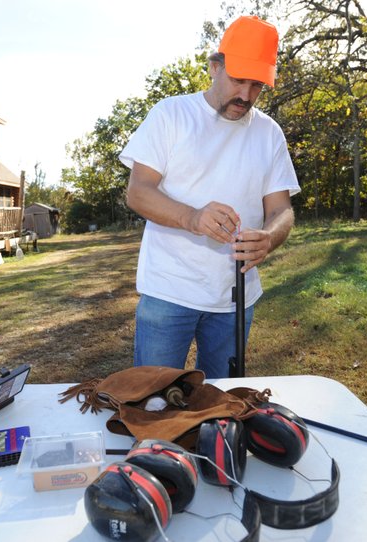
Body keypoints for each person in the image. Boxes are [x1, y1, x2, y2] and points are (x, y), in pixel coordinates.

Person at [120, 15, 300, 378]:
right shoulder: (171, 115)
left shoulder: (269, 133)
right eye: (238, 80)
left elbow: (282, 210)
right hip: (168, 292)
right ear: (215, 67)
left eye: (257, 86)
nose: (246, 96)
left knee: (222, 405)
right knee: (153, 402)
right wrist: (192, 217)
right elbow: (138, 192)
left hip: (235, 297)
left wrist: (269, 237)